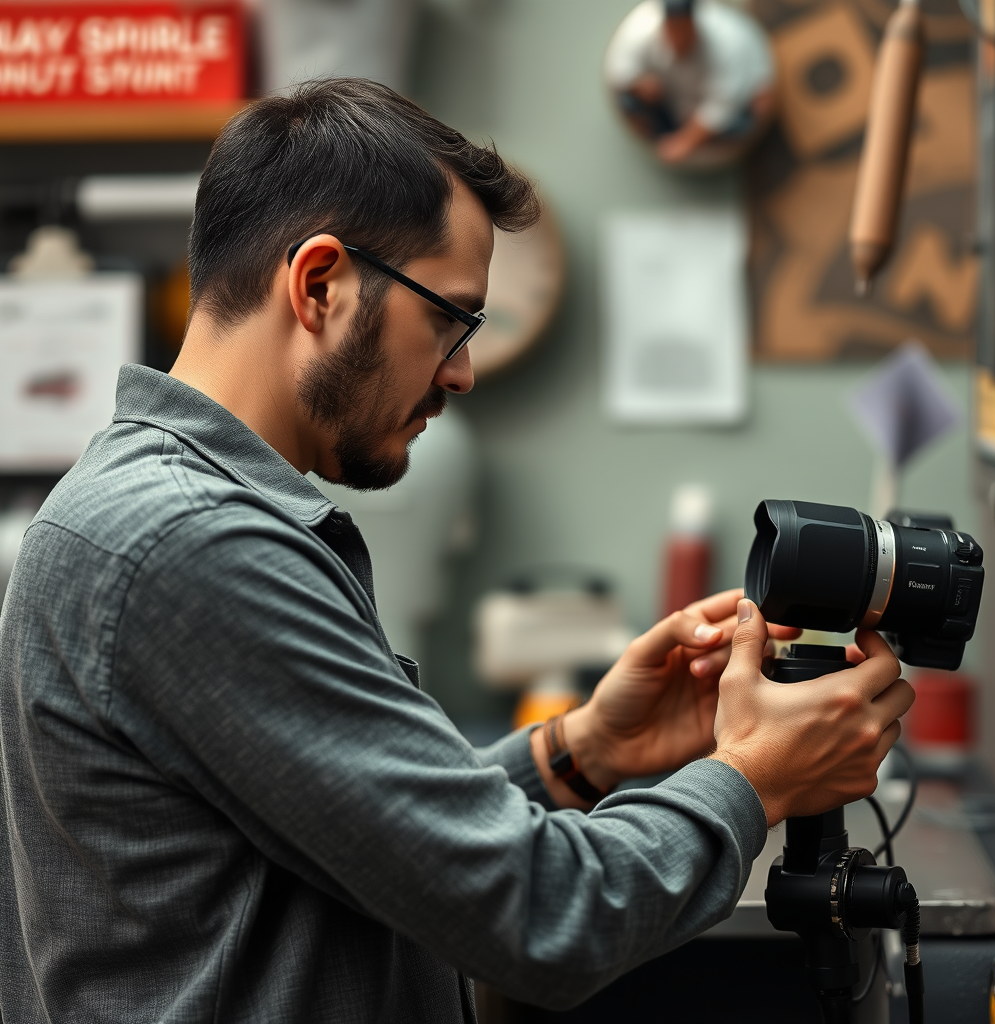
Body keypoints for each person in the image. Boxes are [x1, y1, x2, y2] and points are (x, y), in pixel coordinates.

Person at [0, 79, 912, 1023]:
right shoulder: (190, 545)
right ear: (319, 284)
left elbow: (352, 834)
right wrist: (756, 778)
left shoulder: (149, 509)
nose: (462, 370)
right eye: (451, 317)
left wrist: (583, 748)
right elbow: (544, 917)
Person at [605, 0, 777, 166]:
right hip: (674, 103)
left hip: (729, 98)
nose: (678, 39)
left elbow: (722, 106)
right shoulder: (642, 29)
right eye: (673, 29)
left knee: (742, 124)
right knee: (629, 101)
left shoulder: (726, 41)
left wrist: (683, 142)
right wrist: (640, 85)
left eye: (684, 30)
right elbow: (619, 72)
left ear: (695, 22)